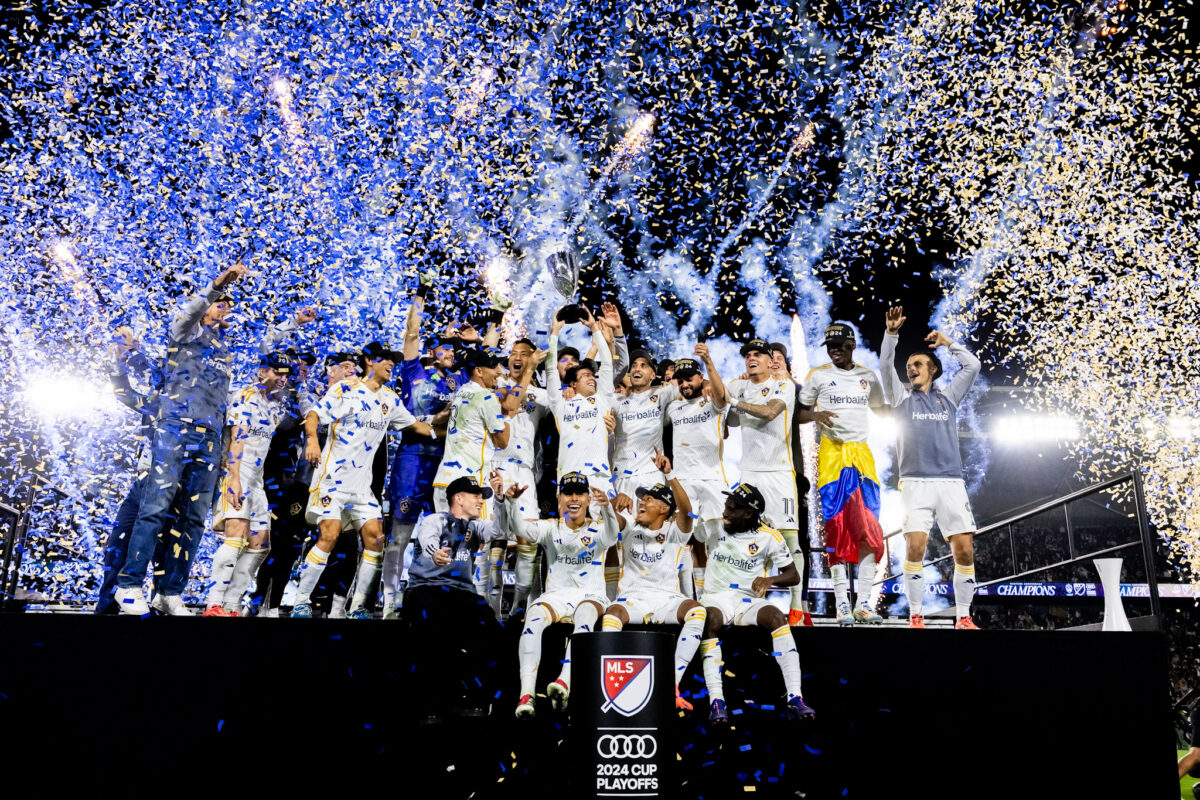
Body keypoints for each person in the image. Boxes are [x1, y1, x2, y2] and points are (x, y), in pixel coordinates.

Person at [113, 262, 249, 616]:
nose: (224, 309)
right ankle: (128, 585)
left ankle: (170, 591)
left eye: (228, 306)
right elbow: (191, 311)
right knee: (155, 508)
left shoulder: (225, 350)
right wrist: (218, 284)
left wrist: (223, 452)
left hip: (210, 437)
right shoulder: (184, 334)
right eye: (219, 304)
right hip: (175, 428)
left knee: (192, 519)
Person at [296, 341, 433, 618]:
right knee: (329, 535)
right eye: (386, 359)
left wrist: (449, 427)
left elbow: (416, 426)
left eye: (394, 360)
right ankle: (301, 601)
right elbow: (313, 414)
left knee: (375, 540)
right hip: (333, 479)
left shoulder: (390, 399)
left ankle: (359, 608)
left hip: (362, 487)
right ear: (370, 360)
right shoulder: (345, 389)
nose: (392, 364)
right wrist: (312, 441)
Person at [880, 307, 982, 629]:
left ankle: (964, 617)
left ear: (933, 369)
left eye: (918, 364)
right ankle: (916, 616)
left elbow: (973, 365)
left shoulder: (949, 397)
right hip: (915, 482)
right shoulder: (900, 398)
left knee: (964, 550)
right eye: (909, 366)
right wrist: (891, 334)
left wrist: (948, 341)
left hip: (951, 482)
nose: (911, 369)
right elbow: (885, 365)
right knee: (916, 546)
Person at [499, 471, 619, 717]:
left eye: (579, 493)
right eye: (568, 493)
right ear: (558, 498)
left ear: (588, 499)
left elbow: (613, 534)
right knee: (532, 618)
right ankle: (527, 694)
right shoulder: (550, 527)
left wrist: (607, 508)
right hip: (556, 596)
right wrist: (511, 503)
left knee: (585, 614)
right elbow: (521, 528)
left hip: (590, 595)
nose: (573, 498)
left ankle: (564, 682)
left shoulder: (598, 529)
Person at [695, 483, 815, 724]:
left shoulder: (769, 537)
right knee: (710, 619)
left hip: (748, 601)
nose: (726, 513)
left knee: (776, 617)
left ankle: (795, 696)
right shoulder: (713, 526)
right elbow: (689, 536)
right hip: (715, 598)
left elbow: (793, 576)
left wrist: (770, 579)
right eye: (726, 507)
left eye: (732, 509)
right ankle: (717, 701)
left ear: (748, 513)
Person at [599, 451, 707, 711]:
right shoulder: (631, 528)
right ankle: (608, 684)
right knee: (611, 613)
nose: (641, 502)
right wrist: (613, 504)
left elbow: (688, 511)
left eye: (648, 499)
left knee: (697, 611)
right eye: (640, 498)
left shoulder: (674, 532)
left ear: (664, 508)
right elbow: (614, 522)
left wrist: (669, 475)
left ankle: (673, 683)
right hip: (633, 600)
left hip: (667, 600)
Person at [799, 323, 888, 626]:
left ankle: (863, 604)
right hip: (832, 457)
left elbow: (883, 410)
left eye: (838, 344)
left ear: (852, 344)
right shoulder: (818, 375)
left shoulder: (867, 376)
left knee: (869, 530)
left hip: (862, 457)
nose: (833, 349)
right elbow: (798, 412)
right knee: (837, 530)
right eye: (829, 345)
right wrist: (814, 415)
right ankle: (841, 605)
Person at [383, 289, 462, 618]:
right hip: (412, 460)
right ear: (432, 350)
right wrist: (420, 297)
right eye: (446, 348)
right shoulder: (414, 371)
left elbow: (486, 354)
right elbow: (411, 332)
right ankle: (389, 600)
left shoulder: (458, 379)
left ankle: (429, 595)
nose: (452, 354)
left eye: (454, 351)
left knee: (440, 532)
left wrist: (495, 317)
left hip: (444, 465)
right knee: (400, 532)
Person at [404, 476, 508, 720]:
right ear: (458, 499)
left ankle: (475, 699)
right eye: (475, 495)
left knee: (489, 624)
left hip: (461, 593)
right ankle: (430, 704)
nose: (481, 499)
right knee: (433, 629)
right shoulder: (436, 520)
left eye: (482, 495)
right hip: (426, 587)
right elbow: (427, 537)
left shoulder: (476, 527)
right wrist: (435, 553)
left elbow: (499, 530)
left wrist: (501, 501)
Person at [724, 338, 806, 626]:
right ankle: (752, 605)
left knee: (790, 541)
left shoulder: (783, 385)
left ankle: (797, 608)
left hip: (779, 474)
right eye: (747, 354)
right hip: (749, 474)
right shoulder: (741, 386)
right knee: (752, 542)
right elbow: (728, 422)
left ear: (772, 360)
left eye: (757, 353)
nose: (751, 357)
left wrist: (733, 401)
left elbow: (770, 412)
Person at [204, 353, 292, 616]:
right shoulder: (246, 396)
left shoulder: (274, 405)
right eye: (278, 373)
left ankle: (232, 603)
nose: (283, 379)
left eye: (286, 375)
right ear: (262, 371)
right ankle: (214, 603)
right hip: (236, 474)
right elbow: (237, 439)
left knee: (260, 545)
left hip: (257, 481)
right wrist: (233, 479)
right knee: (235, 540)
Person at [666, 346, 729, 600]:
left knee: (719, 542)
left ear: (700, 378)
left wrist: (708, 360)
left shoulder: (713, 401)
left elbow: (723, 395)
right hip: (683, 484)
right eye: (680, 381)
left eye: (689, 378)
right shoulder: (672, 408)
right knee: (679, 542)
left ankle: (714, 597)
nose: (684, 384)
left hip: (713, 480)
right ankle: (684, 599)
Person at [491, 338, 549, 615]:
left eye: (524, 354)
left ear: (533, 359)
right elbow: (509, 404)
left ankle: (518, 610)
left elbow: (567, 400)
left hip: (524, 472)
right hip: (494, 466)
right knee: (493, 541)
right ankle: (488, 608)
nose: (517, 357)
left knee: (528, 539)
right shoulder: (498, 387)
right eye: (513, 353)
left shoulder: (541, 395)